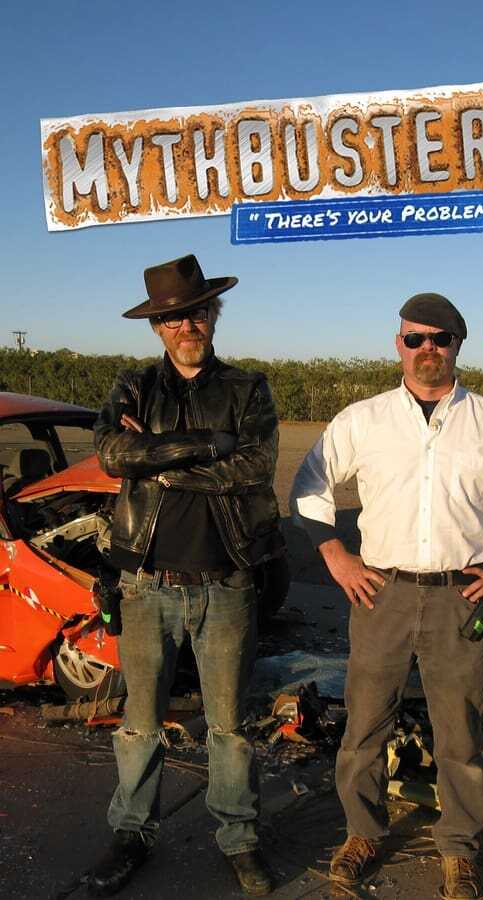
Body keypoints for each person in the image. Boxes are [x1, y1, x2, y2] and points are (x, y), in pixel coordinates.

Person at [290, 293, 483, 899]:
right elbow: (310, 485)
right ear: (399, 344)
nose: (427, 349)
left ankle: (459, 847)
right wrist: (335, 553)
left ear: (457, 345)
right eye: (415, 338)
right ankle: (362, 832)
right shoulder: (363, 420)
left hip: (460, 598)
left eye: (439, 339)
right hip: (381, 594)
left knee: (461, 731)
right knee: (365, 723)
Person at [89, 254, 284, 897]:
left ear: (212, 315)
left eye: (196, 313)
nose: (185, 326)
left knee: (229, 726)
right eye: (172, 319)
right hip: (146, 585)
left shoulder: (248, 388)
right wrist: (207, 445)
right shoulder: (133, 386)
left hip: (225, 584)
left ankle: (239, 838)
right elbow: (112, 453)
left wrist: (157, 460)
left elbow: (253, 467)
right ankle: (131, 834)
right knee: (139, 724)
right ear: (157, 328)